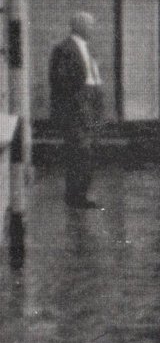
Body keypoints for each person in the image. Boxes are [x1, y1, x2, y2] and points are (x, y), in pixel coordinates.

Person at [49, 11, 105, 209]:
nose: (92, 29)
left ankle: (81, 193)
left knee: (89, 150)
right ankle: (75, 196)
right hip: (76, 106)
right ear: (78, 26)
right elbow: (59, 81)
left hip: (91, 102)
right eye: (89, 25)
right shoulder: (63, 49)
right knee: (79, 150)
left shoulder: (88, 49)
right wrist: (78, 100)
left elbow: (92, 73)